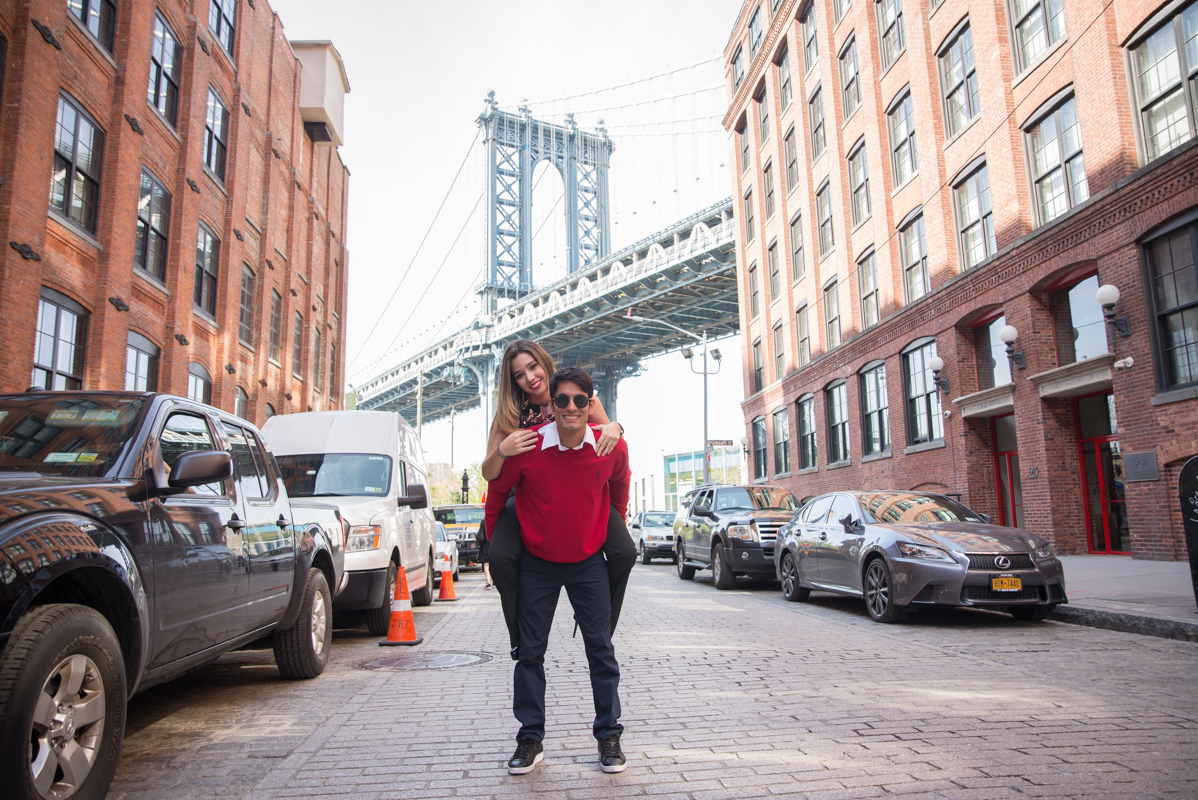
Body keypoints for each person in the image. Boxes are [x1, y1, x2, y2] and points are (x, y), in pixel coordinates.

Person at [484, 366, 630, 775]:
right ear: (552, 404)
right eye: (561, 400)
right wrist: (497, 538)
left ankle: (609, 737)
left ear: (590, 405)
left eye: (579, 401)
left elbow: (620, 482)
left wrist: (611, 520)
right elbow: (496, 491)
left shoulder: (609, 446)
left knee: (600, 650)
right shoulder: (527, 448)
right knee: (529, 654)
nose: (570, 407)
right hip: (539, 563)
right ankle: (530, 738)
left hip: (587, 564)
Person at [481, 339, 635, 660]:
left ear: (544, 363)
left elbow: (606, 434)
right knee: (500, 556)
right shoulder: (509, 414)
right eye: (519, 375)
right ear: (514, 382)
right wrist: (502, 450)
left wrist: (618, 426)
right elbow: (489, 472)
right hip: (523, 494)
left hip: (581, 490)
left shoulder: (572, 393)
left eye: (533, 367)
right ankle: (518, 636)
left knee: (624, 551)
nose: (529, 378)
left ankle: (599, 621)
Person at [475, 520, 493, 588]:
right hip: (494, 546)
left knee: (486, 565)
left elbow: (481, 538)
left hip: (485, 547)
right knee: (493, 564)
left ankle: (488, 583)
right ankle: (494, 582)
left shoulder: (483, 523)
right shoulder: (495, 522)